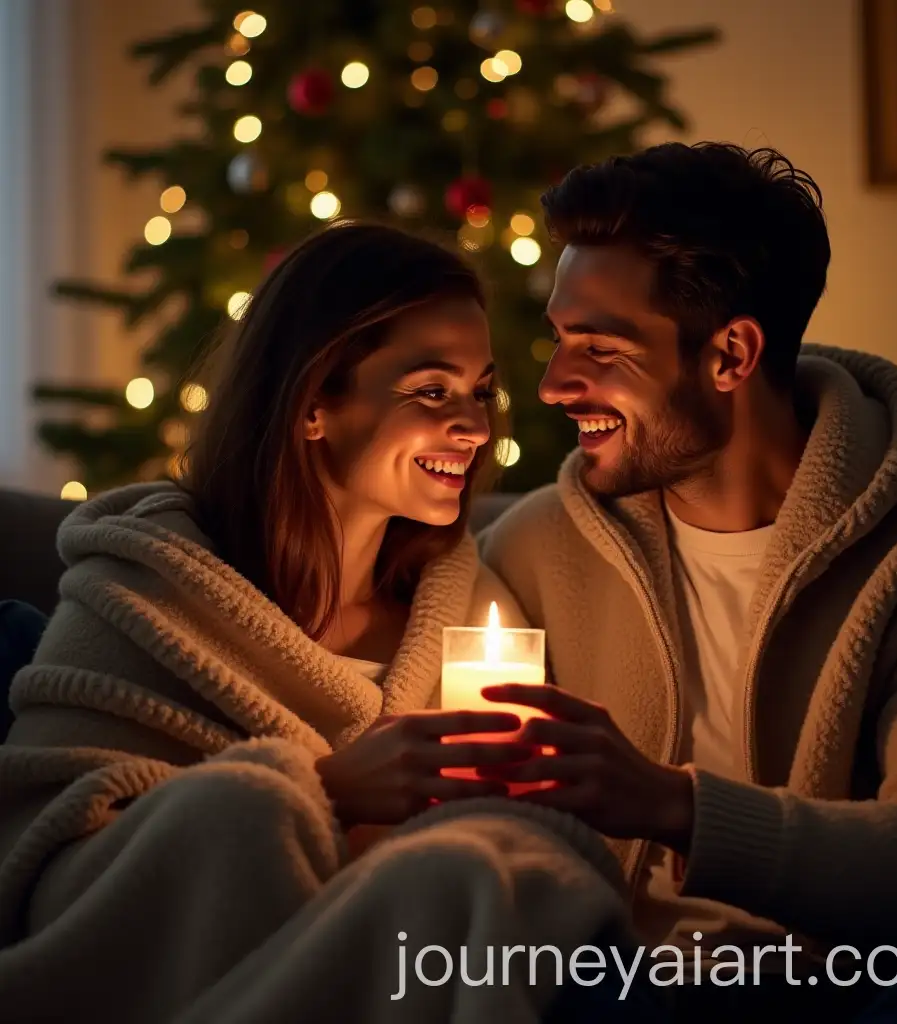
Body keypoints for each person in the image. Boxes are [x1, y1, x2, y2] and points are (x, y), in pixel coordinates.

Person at [0, 222, 659, 1024]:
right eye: (431, 390)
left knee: (483, 868)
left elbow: (542, 840)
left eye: (482, 390)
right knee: (252, 810)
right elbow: (39, 870)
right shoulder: (142, 597)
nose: (476, 426)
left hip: (413, 972)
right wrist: (326, 793)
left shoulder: (472, 610)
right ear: (315, 405)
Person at [476, 142, 897, 1018]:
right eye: (557, 341)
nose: (552, 385)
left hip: (857, 989)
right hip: (627, 990)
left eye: (599, 348)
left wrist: (672, 804)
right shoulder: (534, 548)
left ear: (731, 355)